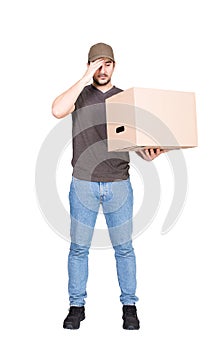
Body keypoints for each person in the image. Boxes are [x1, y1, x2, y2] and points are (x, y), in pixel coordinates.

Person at [52, 43, 165, 330]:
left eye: (108, 64)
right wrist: (84, 76)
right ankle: (77, 306)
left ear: (115, 66)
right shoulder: (80, 95)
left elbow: (133, 140)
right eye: (97, 65)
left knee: (124, 249)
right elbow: (56, 110)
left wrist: (147, 154)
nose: (103, 70)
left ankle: (129, 306)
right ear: (89, 66)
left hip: (118, 184)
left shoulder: (124, 99)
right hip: (83, 184)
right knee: (79, 249)